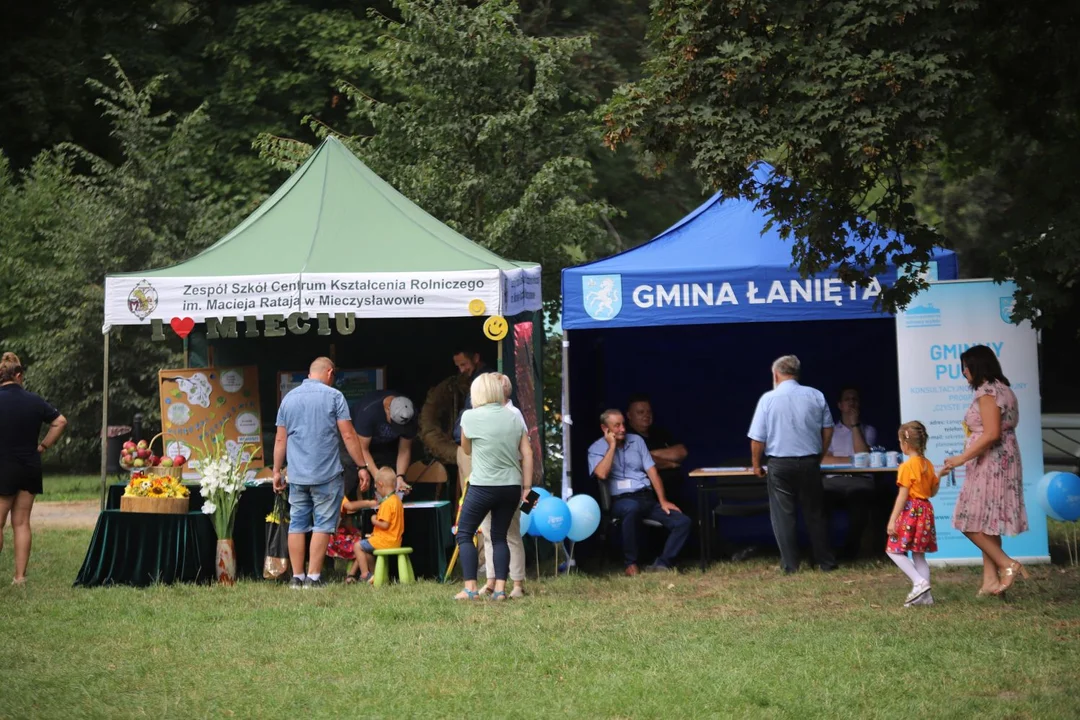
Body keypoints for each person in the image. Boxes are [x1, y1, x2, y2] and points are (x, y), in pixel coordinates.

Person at [273, 357, 369, 589]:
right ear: (329, 372)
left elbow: (280, 439)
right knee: (323, 524)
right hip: (326, 475)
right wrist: (362, 466)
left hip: (296, 475)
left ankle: (297, 578)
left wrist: (277, 471)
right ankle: (313, 578)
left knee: (297, 523)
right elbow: (348, 435)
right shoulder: (335, 396)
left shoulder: (289, 399)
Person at [943, 344, 1029, 597]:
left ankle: (1007, 565)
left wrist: (960, 458)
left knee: (968, 519)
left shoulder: (988, 392)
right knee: (987, 523)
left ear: (975, 367)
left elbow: (991, 433)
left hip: (991, 463)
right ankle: (990, 581)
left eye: (965, 367)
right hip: (1002, 460)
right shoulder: (1004, 389)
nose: (963, 373)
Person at [748, 355, 837, 574]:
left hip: (780, 464)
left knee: (783, 516)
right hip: (809, 461)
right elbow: (828, 429)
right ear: (797, 373)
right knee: (815, 513)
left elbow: (757, 438)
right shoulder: (816, 395)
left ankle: (791, 565)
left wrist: (756, 464)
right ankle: (825, 561)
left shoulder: (768, 399)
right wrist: (821, 454)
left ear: (776, 374)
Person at [453, 373, 533, 601]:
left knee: (465, 533)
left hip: (483, 485)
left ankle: (470, 588)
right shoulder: (514, 417)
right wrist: (527, 487)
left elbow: (467, 450)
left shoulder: (469, 416)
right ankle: (500, 589)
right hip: (511, 487)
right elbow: (527, 452)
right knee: (501, 537)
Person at [589, 409, 691, 576]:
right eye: (617, 426)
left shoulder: (636, 441)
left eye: (623, 424)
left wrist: (663, 500)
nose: (622, 429)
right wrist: (612, 446)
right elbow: (602, 473)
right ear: (604, 429)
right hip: (621, 501)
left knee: (682, 521)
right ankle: (631, 563)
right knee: (631, 508)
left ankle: (663, 563)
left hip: (646, 497)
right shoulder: (596, 448)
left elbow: (652, 472)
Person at [0, 352, 67, 585]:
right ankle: (19, 577)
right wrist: (43, 445)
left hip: (3, 467)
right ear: (19, 375)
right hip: (29, 465)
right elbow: (60, 421)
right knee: (21, 522)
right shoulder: (34, 400)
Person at [478, 373, 528, 598]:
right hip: (488, 480)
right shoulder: (488, 415)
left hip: (509, 481)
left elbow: (525, 452)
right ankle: (491, 580)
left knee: (510, 533)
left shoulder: (513, 415)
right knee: (488, 532)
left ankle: (517, 583)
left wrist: (527, 486)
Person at [886, 422, 939, 607]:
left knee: (893, 550)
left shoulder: (906, 467)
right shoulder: (928, 465)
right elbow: (932, 492)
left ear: (905, 443)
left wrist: (892, 520)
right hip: (925, 510)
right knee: (918, 554)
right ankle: (926, 597)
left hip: (911, 511)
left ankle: (919, 582)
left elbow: (903, 496)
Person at [821, 386, 878, 559]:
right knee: (819, 503)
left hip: (860, 480)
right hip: (833, 481)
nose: (852, 402)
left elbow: (865, 459)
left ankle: (850, 551)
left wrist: (854, 425)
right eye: (848, 399)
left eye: (855, 399)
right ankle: (824, 552)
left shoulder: (868, 430)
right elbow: (823, 460)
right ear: (840, 405)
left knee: (860, 503)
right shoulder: (830, 433)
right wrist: (853, 459)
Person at [350, 389, 418, 496]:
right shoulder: (369, 412)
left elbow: (404, 449)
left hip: (385, 444)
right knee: (355, 473)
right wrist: (378, 477)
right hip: (356, 439)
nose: (398, 429)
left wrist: (400, 477)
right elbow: (362, 449)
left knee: (390, 472)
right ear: (387, 409)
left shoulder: (410, 413)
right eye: (395, 424)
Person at [625, 393, 689, 504]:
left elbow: (682, 452)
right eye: (640, 412)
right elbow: (639, 461)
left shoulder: (659, 433)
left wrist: (648, 454)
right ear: (629, 415)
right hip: (648, 496)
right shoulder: (626, 437)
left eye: (649, 411)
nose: (646, 415)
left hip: (676, 494)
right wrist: (670, 464)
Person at [350, 467, 405, 584]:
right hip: (395, 541)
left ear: (380, 484)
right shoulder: (397, 501)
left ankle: (365, 574)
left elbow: (385, 525)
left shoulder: (386, 503)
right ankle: (375, 576)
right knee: (368, 550)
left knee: (358, 546)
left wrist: (374, 520)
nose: (376, 489)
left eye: (376, 486)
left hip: (384, 541)